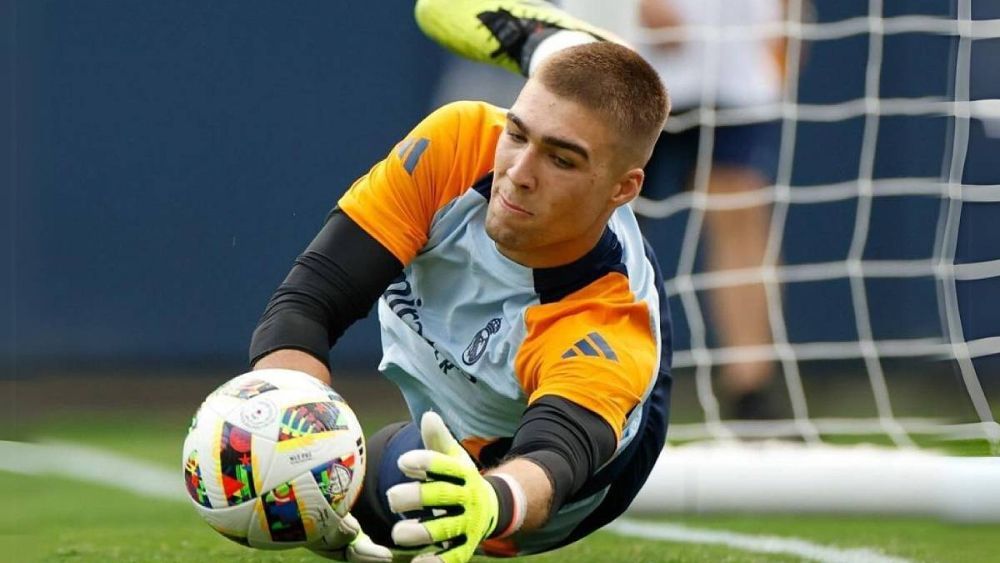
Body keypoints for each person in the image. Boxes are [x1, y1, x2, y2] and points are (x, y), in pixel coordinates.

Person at [248, 40, 672, 563]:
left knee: (392, 496)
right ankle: (549, 40)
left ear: (624, 189)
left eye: (561, 159)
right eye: (516, 134)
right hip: (578, 236)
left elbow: (549, 463)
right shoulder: (460, 142)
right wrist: (285, 423)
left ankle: (556, 44)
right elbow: (306, 305)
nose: (518, 172)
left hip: (565, 481)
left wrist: (488, 503)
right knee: (308, 483)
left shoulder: (605, 328)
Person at [416, 0, 787, 419]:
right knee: (585, 222)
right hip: (624, 54)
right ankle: (528, 373)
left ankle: (751, 394)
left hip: (734, 58)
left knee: (740, 214)